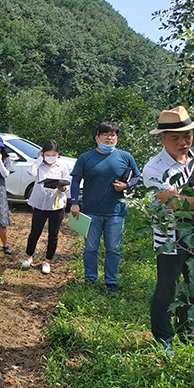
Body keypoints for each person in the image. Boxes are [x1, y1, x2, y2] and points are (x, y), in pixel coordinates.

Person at [142, 106, 194, 354]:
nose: (183, 142)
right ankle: (162, 337)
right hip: (170, 235)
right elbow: (177, 203)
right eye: (175, 137)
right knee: (167, 287)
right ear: (161, 138)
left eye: (187, 136)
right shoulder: (154, 169)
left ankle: (186, 332)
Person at [70, 122, 141, 294]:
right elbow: (75, 180)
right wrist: (74, 203)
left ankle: (111, 282)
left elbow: (137, 176)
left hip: (115, 211)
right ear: (97, 137)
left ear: (117, 138)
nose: (109, 138)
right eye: (105, 134)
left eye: (113, 135)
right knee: (90, 248)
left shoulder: (125, 157)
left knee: (113, 249)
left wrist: (126, 186)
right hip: (90, 210)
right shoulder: (85, 158)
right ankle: (90, 279)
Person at [22, 140, 70, 274]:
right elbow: (30, 172)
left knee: (53, 235)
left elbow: (66, 186)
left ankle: (47, 261)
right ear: (43, 153)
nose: (50, 157)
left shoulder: (62, 167)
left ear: (57, 154)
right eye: (47, 154)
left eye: (53, 155)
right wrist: (38, 159)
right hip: (40, 204)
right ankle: (29, 256)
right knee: (35, 232)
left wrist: (62, 188)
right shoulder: (39, 165)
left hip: (56, 205)